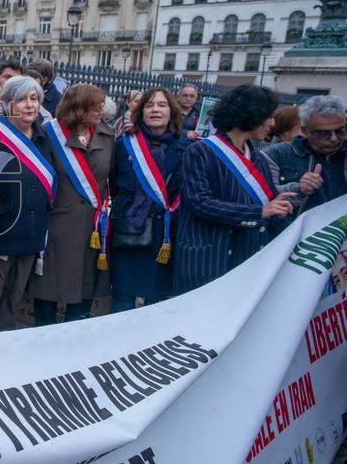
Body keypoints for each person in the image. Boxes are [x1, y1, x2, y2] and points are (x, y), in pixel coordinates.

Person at [173, 85, 295, 294]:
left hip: (247, 258)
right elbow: (199, 203)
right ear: (250, 115)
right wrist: (259, 212)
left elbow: (268, 202)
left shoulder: (258, 158)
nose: (273, 123)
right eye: (269, 116)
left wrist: (284, 204)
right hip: (208, 260)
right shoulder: (200, 151)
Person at [0, 76, 56, 333]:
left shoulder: (43, 136)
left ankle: (5, 347)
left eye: (34, 99)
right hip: (2, 225)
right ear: (7, 103)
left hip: (32, 227)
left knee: (14, 295)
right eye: (22, 99)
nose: (29, 105)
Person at [29, 83, 114, 325]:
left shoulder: (107, 135)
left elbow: (112, 178)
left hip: (92, 229)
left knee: (84, 290)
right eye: (95, 106)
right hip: (57, 225)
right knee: (48, 289)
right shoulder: (48, 133)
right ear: (79, 108)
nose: (102, 110)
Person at [108, 88, 190, 312]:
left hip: (165, 234)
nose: (155, 110)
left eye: (162, 105)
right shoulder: (125, 144)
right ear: (140, 111)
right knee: (122, 299)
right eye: (149, 105)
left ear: (171, 111)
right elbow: (113, 183)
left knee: (157, 300)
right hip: (131, 231)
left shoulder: (185, 148)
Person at [263, 95, 346, 212]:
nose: (333, 138)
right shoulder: (276, 155)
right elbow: (264, 200)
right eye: (322, 133)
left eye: (339, 131)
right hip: (295, 229)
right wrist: (299, 189)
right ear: (304, 131)